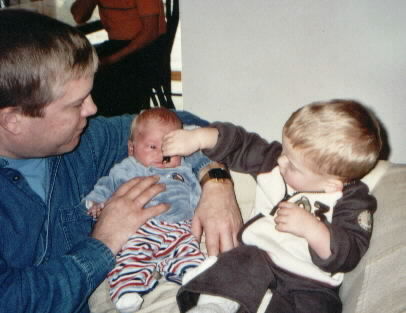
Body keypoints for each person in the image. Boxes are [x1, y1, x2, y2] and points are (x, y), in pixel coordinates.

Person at [0, 9, 241, 313]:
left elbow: (182, 123)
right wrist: (103, 242)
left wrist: (215, 180)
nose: (93, 108)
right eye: (76, 104)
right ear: (13, 120)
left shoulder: (84, 141)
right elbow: (11, 300)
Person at [162, 99, 382, 313]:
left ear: (330, 184)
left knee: (321, 306)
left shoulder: (353, 201)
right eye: (284, 152)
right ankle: (214, 306)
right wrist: (199, 138)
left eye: (292, 164)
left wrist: (312, 229)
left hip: (310, 283)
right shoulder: (275, 161)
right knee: (232, 265)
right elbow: (242, 144)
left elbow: (350, 250)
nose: (281, 161)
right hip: (258, 257)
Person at [85, 108, 205, 312]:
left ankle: (190, 274)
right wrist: (96, 203)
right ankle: (127, 291)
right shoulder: (126, 168)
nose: (162, 154)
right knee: (130, 256)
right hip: (139, 229)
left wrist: (200, 213)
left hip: (178, 227)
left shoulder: (183, 169)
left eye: (169, 148)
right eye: (152, 147)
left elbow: (196, 193)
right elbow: (106, 185)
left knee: (188, 249)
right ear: (132, 149)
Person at [71, 0, 169, 115]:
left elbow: (150, 33)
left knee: (103, 78)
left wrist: (111, 59)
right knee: (77, 63)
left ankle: (113, 124)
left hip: (147, 47)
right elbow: (79, 16)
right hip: (117, 44)